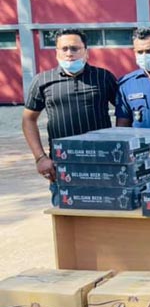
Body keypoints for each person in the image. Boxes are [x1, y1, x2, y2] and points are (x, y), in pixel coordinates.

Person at [22, 29, 117, 203]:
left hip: (103, 163)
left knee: (106, 213)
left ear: (86, 52)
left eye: (75, 48)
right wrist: (40, 158)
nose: (69, 53)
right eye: (64, 48)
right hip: (62, 165)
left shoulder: (103, 77)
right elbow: (29, 119)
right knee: (66, 215)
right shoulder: (42, 81)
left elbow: (125, 112)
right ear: (56, 52)